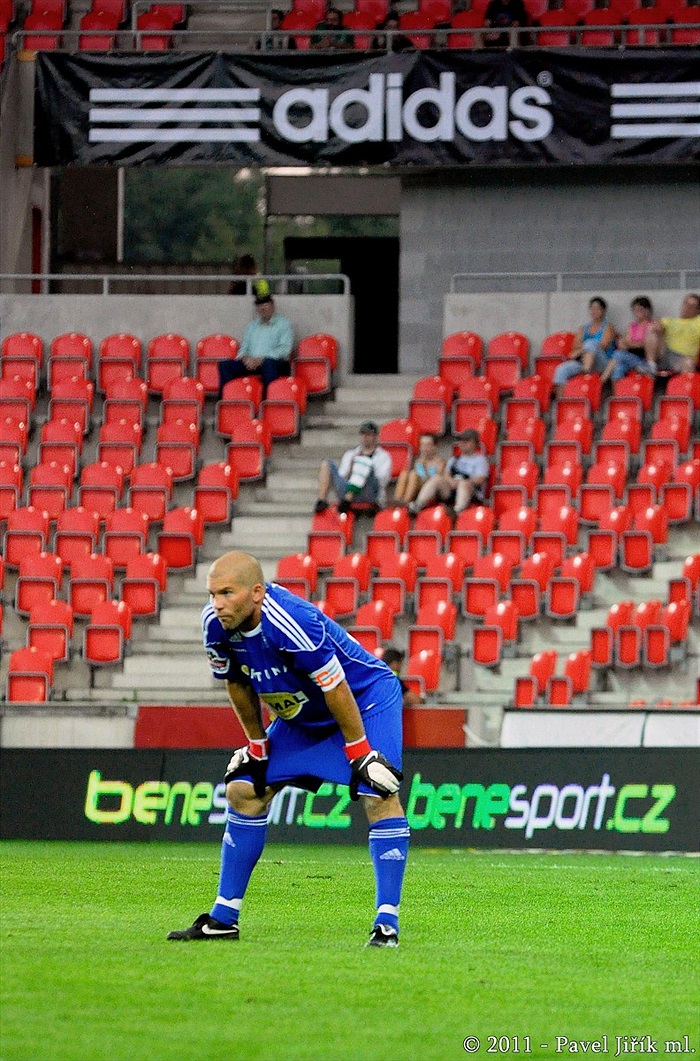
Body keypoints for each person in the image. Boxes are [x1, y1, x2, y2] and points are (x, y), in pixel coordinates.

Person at [167, 551, 409, 948]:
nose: (217, 604)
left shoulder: (290, 620)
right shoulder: (215, 624)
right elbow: (236, 681)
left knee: (378, 791)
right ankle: (223, 919)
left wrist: (360, 751)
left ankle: (386, 924)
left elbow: (336, 685)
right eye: (212, 594)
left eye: (227, 593)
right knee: (243, 789)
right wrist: (257, 743)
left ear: (257, 592)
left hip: (364, 699)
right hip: (305, 712)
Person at [218, 280, 294, 397]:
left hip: (274, 363)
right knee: (225, 365)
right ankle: (228, 400)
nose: (263, 308)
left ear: (272, 305)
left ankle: (266, 402)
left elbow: (285, 350)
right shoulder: (252, 326)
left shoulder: (284, 324)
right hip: (251, 362)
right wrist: (245, 357)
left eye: (265, 304)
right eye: (259, 305)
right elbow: (244, 347)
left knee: (268, 364)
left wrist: (261, 359)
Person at [314, 421, 393, 515]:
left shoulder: (383, 456)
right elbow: (342, 475)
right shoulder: (351, 454)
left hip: (370, 492)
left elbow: (382, 480)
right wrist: (352, 468)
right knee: (326, 463)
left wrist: (366, 468)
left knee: (364, 462)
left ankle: (348, 499)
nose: (365, 437)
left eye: (368, 435)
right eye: (363, 434)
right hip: (348, 488)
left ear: (375, 436)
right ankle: (322, 501)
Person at [408, 428, 489, 515]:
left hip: (471, 491)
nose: (463, 444)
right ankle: (417, 505)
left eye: (466, 441)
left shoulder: (480, 460)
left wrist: (462, 482)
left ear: (474, 443)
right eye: (461, 441)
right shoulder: (454, 459)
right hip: (451, 489)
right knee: (437, 478)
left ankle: (457, 511)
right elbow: (446, 474)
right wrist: (451, 481)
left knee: (463, 484)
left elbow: (480, 479)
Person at [553, 296, 617, 392]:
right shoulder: (584, 328)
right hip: (582, 360)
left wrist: (584, 348)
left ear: (603, 310)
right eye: (592, 308)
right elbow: (575, 346)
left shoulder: (608, 327)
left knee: (591, 343)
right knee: (562, 369)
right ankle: (561, 400)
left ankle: (586, 370)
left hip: (602, 362)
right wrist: (586, 349)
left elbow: (603, 345)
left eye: (597, 309)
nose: (594, 311)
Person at [600, 296, 657, 384]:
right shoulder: (632, 326)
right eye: (635, 310)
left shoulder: (652, 326)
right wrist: (631, 344)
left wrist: (632, 344)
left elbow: (646, 344)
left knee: (618, 354)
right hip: (630, 356)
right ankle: (616, 392)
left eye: (640, 310)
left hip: (643, 358)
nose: (637, 313)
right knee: (618, 368)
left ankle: (602, 380)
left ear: (647, 310)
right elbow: (625, 343)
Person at [645, 292, 700, 375]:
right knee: (652, 330)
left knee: (688, 362)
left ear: (697, 310)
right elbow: (658, 325)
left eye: (692, 306)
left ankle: (683, 383)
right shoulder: (670, 321)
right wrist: (658, 327)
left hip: (682, 358)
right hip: (665, 353)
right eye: (686, 303)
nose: (687, 307)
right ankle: (651, 366)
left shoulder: (698, 322)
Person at [393, 432, 445, 507]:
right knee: (404, 473)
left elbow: (436, 482)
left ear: (434, 446)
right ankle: (397, 500)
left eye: (428, 445)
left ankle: (405, 503)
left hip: (429, 492)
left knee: (414, 474)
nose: (424, 448)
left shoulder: (440, 462)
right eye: (422, 445)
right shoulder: (418, 461)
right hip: (416, 489)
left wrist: (425, 468)